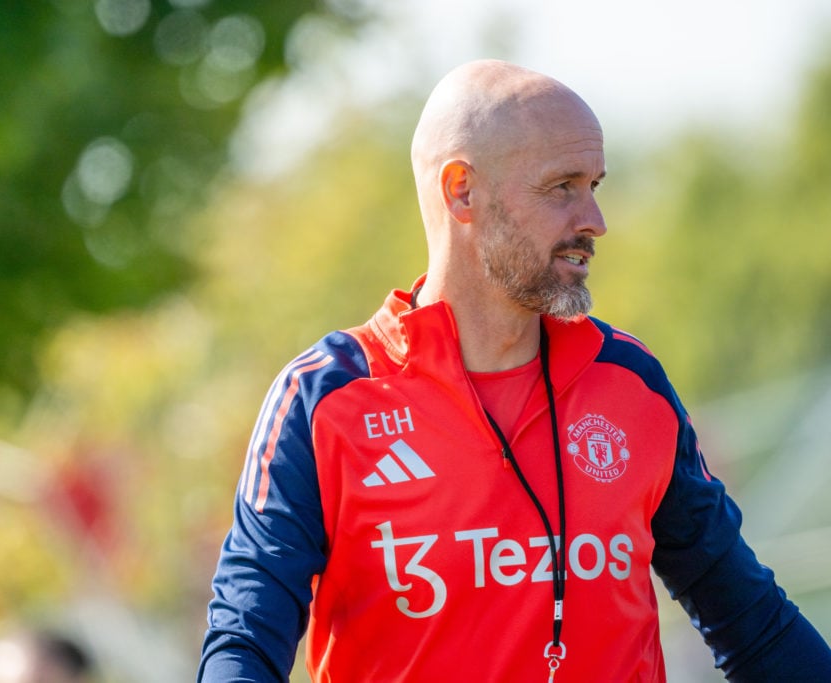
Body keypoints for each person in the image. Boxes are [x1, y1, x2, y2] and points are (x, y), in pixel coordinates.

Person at [197, 59, 831, 681]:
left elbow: (756, 627)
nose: (595, 222)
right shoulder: (325, 397)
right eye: (562, 187)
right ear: (462, 190)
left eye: (595, 186)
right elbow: (244, 642)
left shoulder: (629, 381)